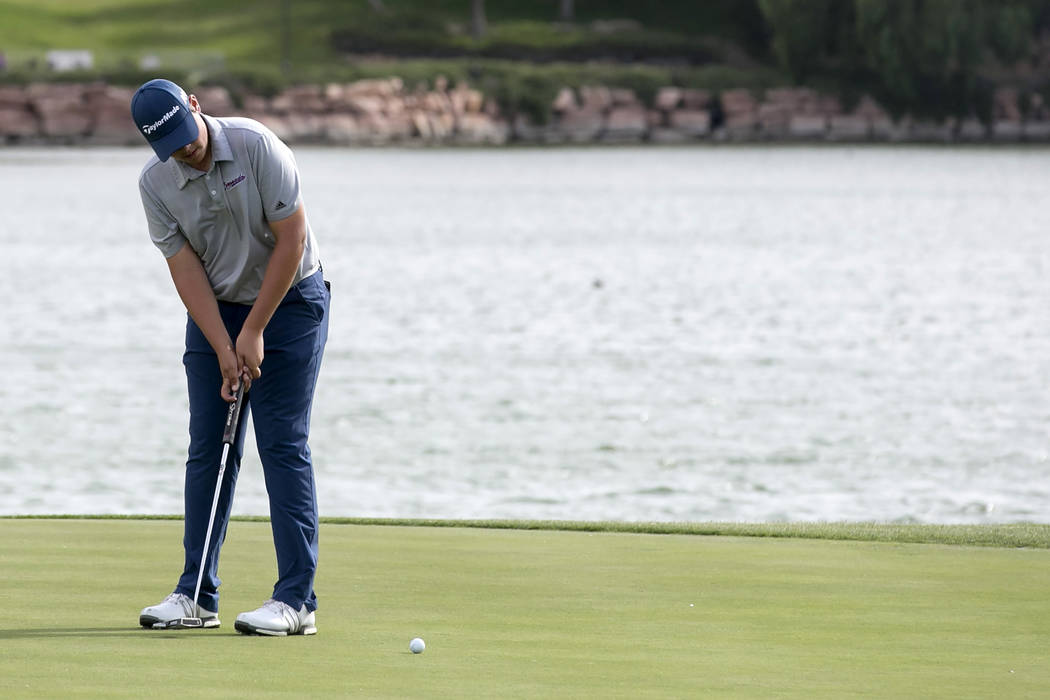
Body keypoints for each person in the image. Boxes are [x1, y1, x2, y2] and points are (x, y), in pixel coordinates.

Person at [131, 79, 330, 636]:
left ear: (195, 105)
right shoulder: (155, 183)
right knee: (209, 448)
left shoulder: (256, 146)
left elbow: (292, 240)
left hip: (290, 299)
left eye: (184, 134)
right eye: (167, 145)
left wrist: (256, 329)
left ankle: (297, 601)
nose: (184, 150)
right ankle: (196, 594)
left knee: (281, 444)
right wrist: (223, 344)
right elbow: (184, 268)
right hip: (216, 308)